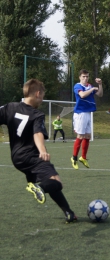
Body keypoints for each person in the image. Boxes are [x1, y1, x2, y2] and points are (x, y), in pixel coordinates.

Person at [0, 79, 77, 223]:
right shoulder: (37, 114)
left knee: (49, 181)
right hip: (32, 157)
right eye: (42, 96)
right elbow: (37, 133)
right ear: (37, 93)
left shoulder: (10, 107)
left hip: (16, 158)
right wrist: (42, 150)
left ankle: (69, 212)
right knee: (56, 182)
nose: (42, 100)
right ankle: (38, 187)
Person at [71, 69, 103, 170]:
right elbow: (82, 95)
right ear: (80, 77)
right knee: (80, 136)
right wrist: (92, 89)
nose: (85, 78)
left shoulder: (89, 86)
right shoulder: (77, 86)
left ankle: (83, 157)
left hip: (88, 113)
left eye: (87, 76)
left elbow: (100, 94)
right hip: (80, 113)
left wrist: (100, 85)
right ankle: (74, 158)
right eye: (83, 76)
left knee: (88, 136)